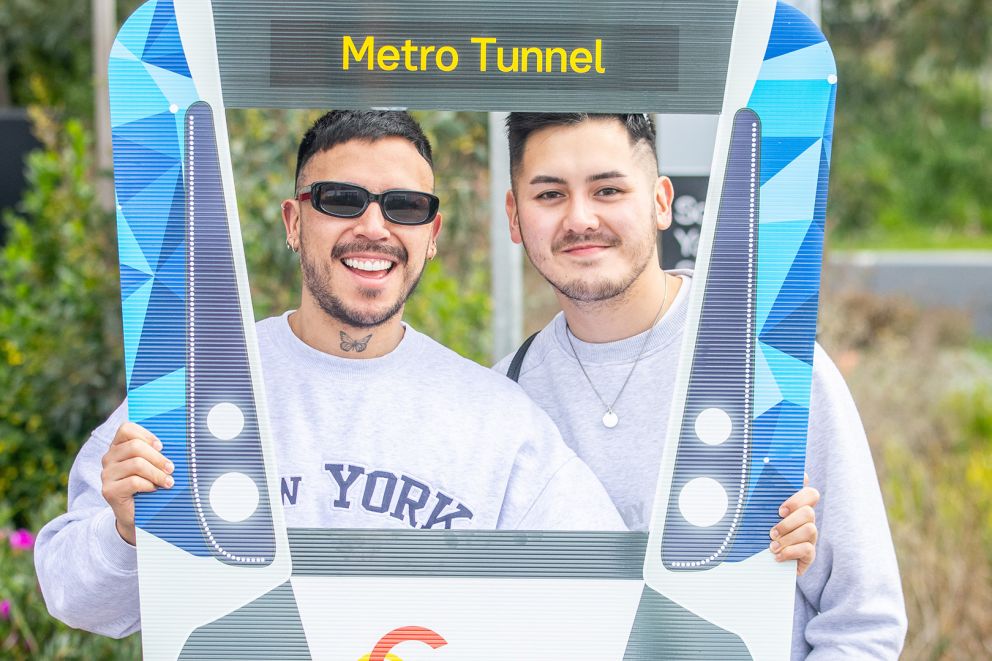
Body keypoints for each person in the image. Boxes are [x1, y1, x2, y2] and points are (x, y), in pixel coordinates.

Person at [33, 110, 630, 639]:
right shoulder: (191, 391)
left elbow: (600, 601)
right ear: (294, 222)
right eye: (341, 200)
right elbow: (75, 600)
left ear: (432, 237)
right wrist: (125, 534)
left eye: (405, 206)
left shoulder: (499, 422)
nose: (374, 227)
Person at [495, 112, 907, 658]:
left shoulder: (769, 367)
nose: (581, 217)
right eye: (549, 195)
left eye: (609, 189)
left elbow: (864, 624)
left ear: (661, 202)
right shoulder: (504, 397)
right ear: (515, 216)